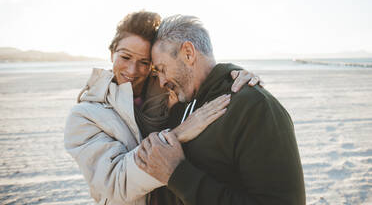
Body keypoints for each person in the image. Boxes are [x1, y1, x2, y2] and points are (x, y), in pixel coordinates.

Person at [64, 11, 261, 205]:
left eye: (144, 62)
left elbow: (199, 72)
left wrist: (232, 76)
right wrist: (179, 133)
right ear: (111, 53)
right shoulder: (85, 116)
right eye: (125, 57)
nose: (132, 70)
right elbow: (115, 184)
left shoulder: (171, 91)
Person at [135, 15, 306, 205]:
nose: (161, 81)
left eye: (162, 69)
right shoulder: (179, 108)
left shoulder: (254, 107)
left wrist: (178, 174)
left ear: (189, 53)